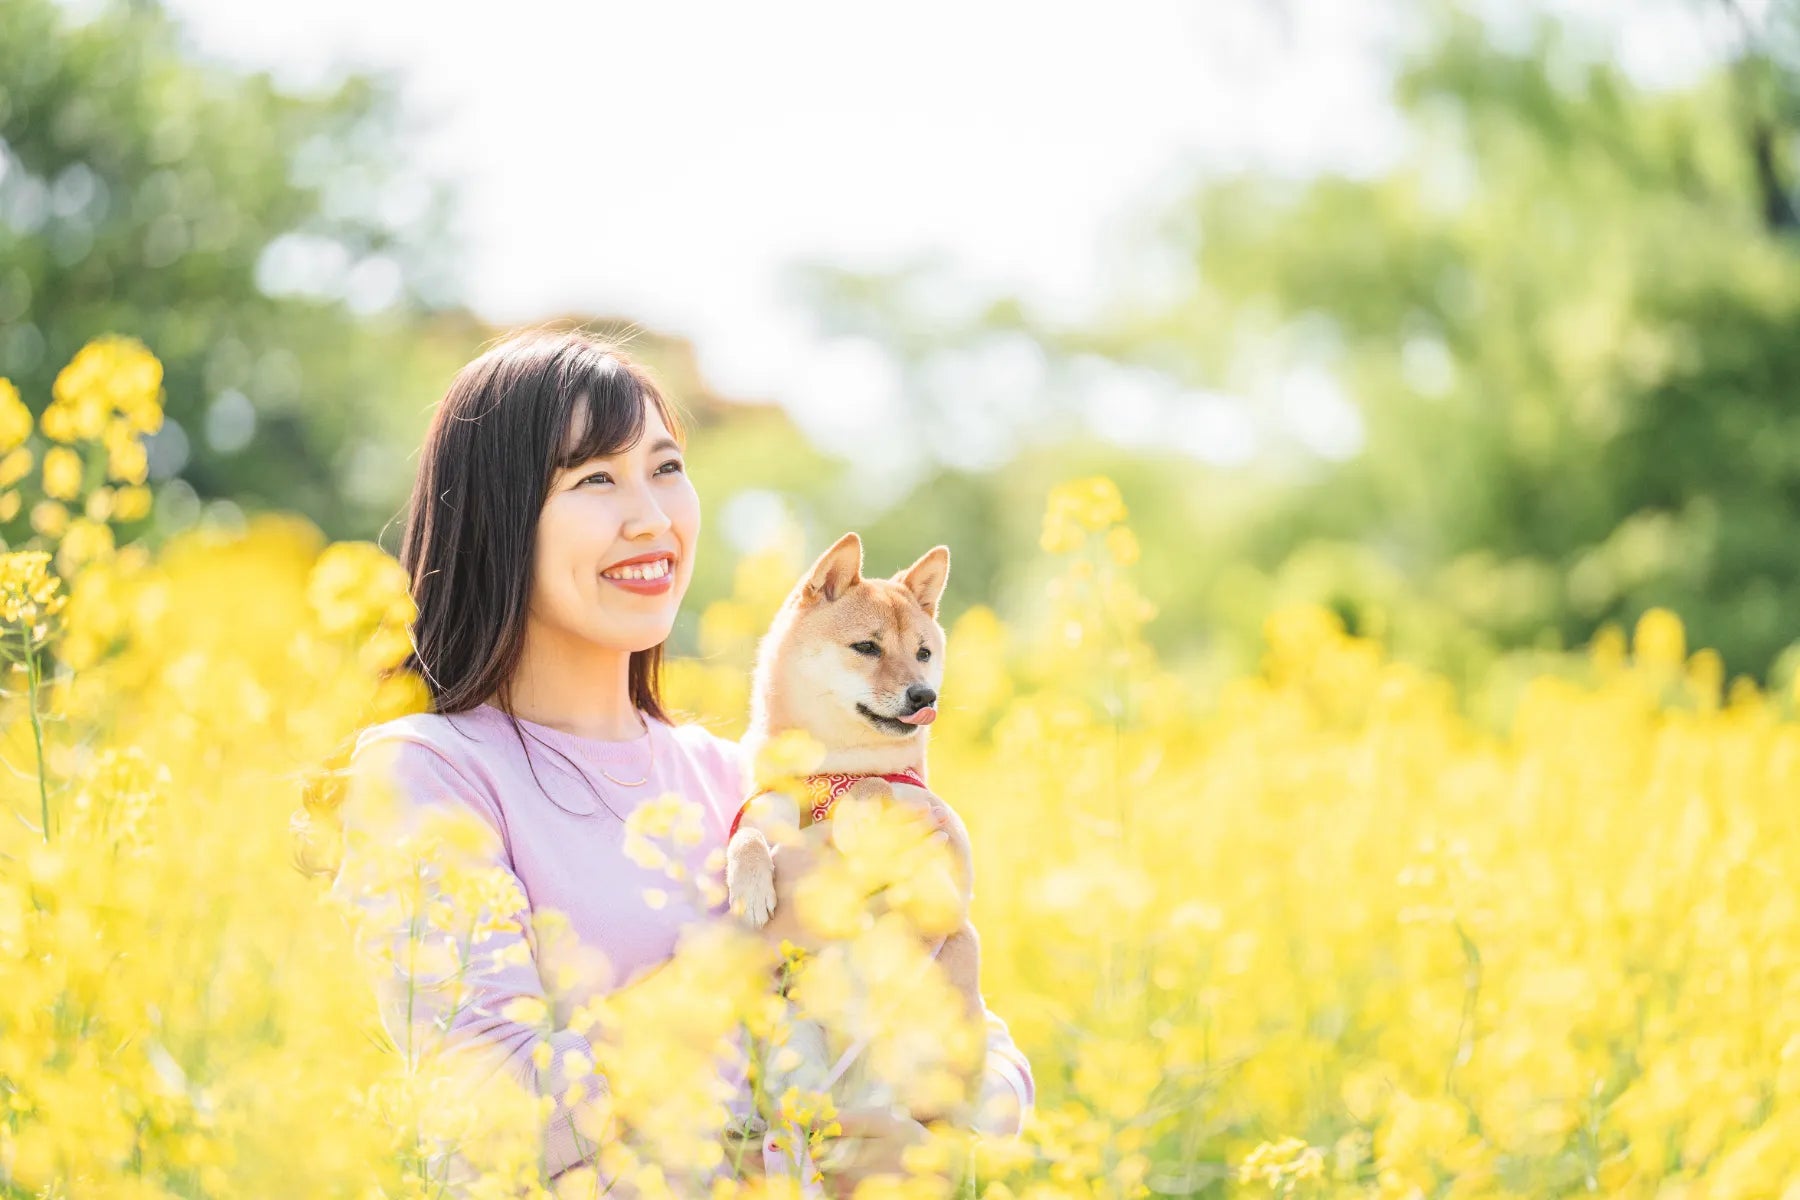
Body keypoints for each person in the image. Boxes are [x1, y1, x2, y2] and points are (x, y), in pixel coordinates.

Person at [329, 328, 1033, 1195]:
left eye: (666, 468)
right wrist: (761, 941)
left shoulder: (743, 775)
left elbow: (980, 1043)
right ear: (497, 518)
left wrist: (941, 1151)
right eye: (595, 479)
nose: (651, 517)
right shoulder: (430, 773)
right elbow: (483, 1131)